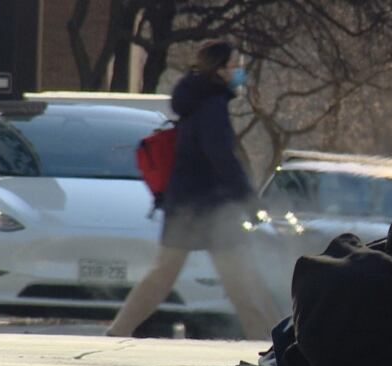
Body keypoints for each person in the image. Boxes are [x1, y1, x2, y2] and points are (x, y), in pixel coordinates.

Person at [107, 40, 283, 340]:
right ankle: (275, 341)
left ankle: (118, 330)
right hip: (208, 207)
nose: (240, 72)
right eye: (235, 66)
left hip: (186, 205)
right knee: (243, 280)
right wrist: (249, 201)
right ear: (219, 70)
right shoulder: (212, 105)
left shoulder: (196, 101)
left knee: (165, 276)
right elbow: (222, 158)